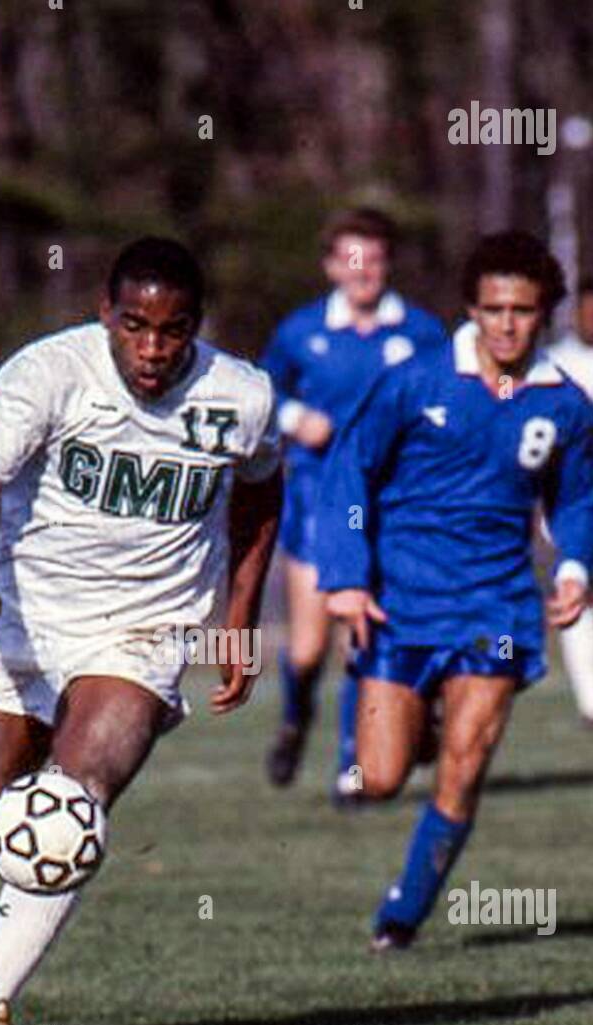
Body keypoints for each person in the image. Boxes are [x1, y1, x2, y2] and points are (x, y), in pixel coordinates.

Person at [0, 237, 282, 1025]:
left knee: (72, 804)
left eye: (174, 329)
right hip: (26, 622)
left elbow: (261, 492)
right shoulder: (47, 374)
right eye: (136, 325)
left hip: (145, 632)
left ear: (197, 328)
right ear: (104, 315)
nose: (152, 349)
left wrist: (239, 618)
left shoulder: (242, 397)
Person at [316, 232, 593, 950]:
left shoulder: (564, 407)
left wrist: (571, 569)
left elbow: (576, 501)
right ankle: (419, 722)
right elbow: (349, 472)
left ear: (546, 314)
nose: (506, 325)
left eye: (522, 310)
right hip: (402, 603)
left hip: (496, 605)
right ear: (470, 309)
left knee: (468, 759)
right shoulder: (414, 383)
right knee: (379, 777)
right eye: (492, 309)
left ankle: (403, 912)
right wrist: (347, 576)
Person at [260, 207, 445, 803]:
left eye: (375, 258)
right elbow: (264, 393)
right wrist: (295, 418)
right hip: (317, 499)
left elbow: (447, 401)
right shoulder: (300, 331)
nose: (364, 271)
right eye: (352, 259)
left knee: (360, 633)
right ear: (332, 266)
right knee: (309, 648)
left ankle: (352, 765)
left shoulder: (419, 332)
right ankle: (295, 717)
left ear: (388, 264)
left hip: (388, 506)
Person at [550, 281, 593, 723]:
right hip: (574, 490)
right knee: (579, 583)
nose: (592, 318)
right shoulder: (557, 362)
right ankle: (592, 700)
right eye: (584, 311)